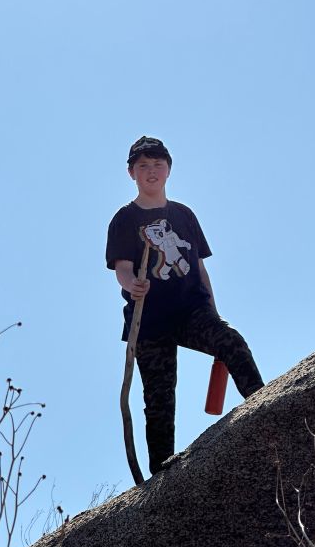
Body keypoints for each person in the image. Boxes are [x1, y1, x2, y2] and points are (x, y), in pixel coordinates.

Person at [106, 136, 264, 475]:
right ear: (131, 172)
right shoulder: (124, 219)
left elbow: (201, 267)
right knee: (159, 400)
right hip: (148, 320)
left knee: (230, 341)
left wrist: (213, 312)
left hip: (191, 309)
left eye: (158, 164)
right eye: (143, 165)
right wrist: (131, 283)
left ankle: (265, 405)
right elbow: (121, 266)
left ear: (169, 170)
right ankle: (162, 475)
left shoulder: (183, 215)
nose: (151, 171)